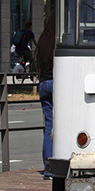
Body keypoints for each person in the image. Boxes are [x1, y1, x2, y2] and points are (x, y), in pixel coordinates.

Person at [34, 18, 55, 179]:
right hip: (58, 84)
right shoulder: (60, 40)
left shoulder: (43, 40)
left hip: (44, 84)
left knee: (49, 126)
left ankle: (48, 168)